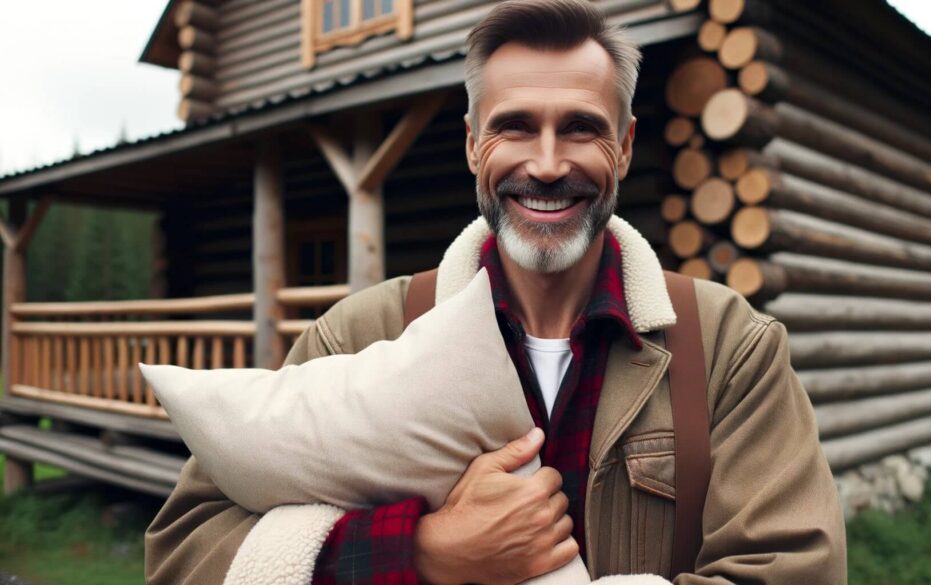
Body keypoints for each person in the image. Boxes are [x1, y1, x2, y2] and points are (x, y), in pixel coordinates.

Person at [145, 1, 847, 583]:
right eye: (515, 126)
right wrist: (423, 551)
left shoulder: (728, 347)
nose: (546, 165)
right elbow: (183, 551)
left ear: (625, 148)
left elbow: (798, 569)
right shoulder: (361, 333)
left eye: (581, 128)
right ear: (474, 145)